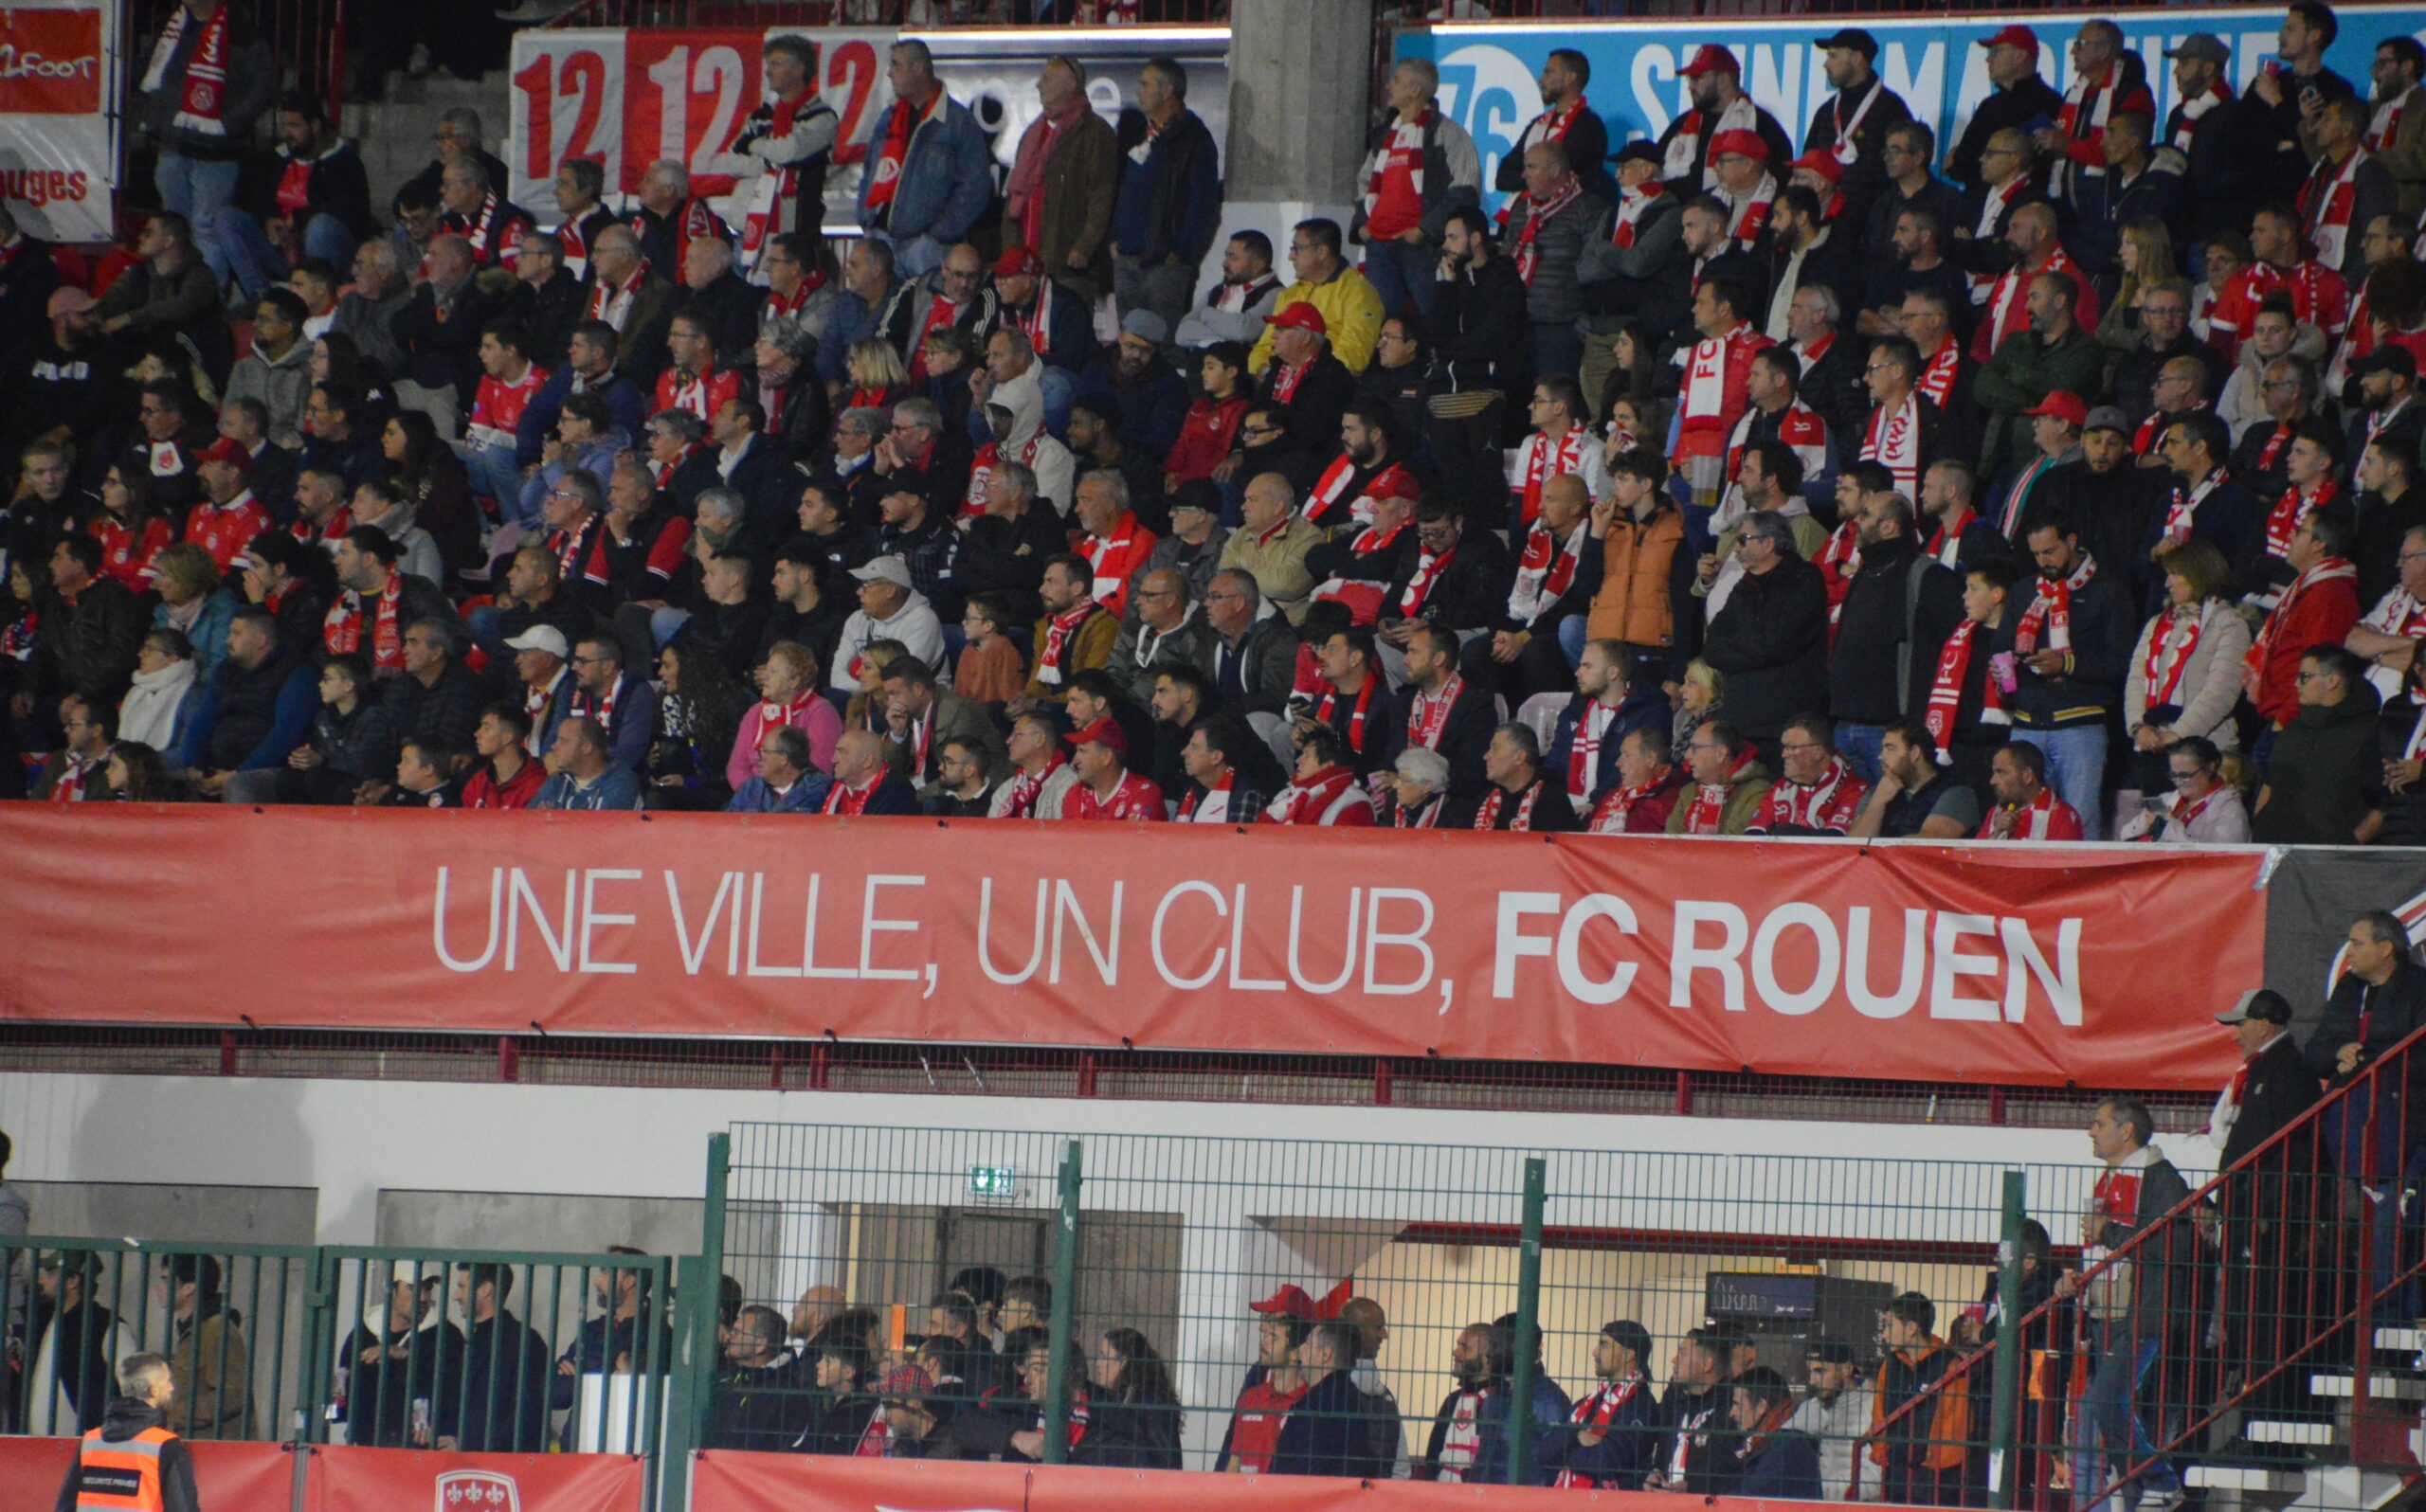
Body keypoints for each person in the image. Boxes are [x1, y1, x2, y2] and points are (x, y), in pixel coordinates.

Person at [138, 0, 275, 287]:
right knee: (172, 227)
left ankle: (207, 297)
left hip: (216, 151)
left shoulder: (242, 31)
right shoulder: (175, 25)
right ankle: (175, 293)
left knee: (206, 227)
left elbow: (263, 89)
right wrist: (156, 122)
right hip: (173, 146)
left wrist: (226, 124)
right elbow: (160, 81)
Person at [2123, 539, 2250, 806]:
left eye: (2176, 573)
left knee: (2201, 828)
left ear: (2199, 574)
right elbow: (2136, 679)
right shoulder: (2157, 623)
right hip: (2154, 752)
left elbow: (2221, 691)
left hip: (2204, 752)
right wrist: (2139, 727)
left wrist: (2178, 733)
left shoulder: (2229, 624)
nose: (2167, 583)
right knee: (2157, 826)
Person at [2254, 645, 2381, 843]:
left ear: (2332, 680)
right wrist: (2258, 832)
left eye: (2304, 677)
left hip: (2331, 855)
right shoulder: (2293, 730)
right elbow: (2270, 786)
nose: (2296, 684)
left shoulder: (2370, 732)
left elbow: (2384, 802)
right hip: (2275, 848)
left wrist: (2350, 844)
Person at [54, 1354, 203, 1512]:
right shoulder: (166, 1446)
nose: (171, 1387)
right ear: (153, 1390)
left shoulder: (90, 1442)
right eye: (167, 1381)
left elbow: (65, 1507)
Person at [1866, 1293, 1972, 1505]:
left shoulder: (1950, 1366)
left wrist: (1932, 1470)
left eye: (1889, 1326)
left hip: (1934, 1481)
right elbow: (1879, 1416)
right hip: (1894, 1473)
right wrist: (1881, 1454)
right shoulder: (1890, 1365)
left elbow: (1953, 1428)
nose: (1884, 1335)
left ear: (1912, 1328)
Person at [1534, 1318, 1658, 1490]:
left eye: (1604, 1345)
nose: (1594, 1352)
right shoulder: (1591, 1401)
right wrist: (1576, 1435)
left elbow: (1606, 1461)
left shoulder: (1640, 1405)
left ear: (1629, 1355)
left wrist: (1565, 1449)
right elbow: (1545, 1451)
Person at [1219, 1290, 1313, 1473]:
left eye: (1272, 1320)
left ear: (1297, 1351)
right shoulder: (1252, 1394)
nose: (1263, 1329)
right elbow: (1233, 1461)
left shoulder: (1311, 1403)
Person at [158, 1253, 248, 1439]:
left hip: (214, 1447)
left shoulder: (217, 1329)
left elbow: (232, 1396)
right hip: (195, 1442)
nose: (159, 1287)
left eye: (166, 1280)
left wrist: (174, 1411)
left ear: (189, 1288)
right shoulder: (192, 1330)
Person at [1667, 717, 1772, 835]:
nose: (1687, 755)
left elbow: (1740, 842)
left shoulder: (1757, 792)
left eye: (1694, 748)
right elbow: (1671, 840)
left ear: (1721, 753)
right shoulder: (1688, 793)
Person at [532, 715, 643, 811]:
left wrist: (553, 820)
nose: (553, 746)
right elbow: (528, 819)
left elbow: (599, 828)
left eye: (563, 741)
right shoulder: (559, 780)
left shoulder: (621, 785)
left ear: (586, 747)